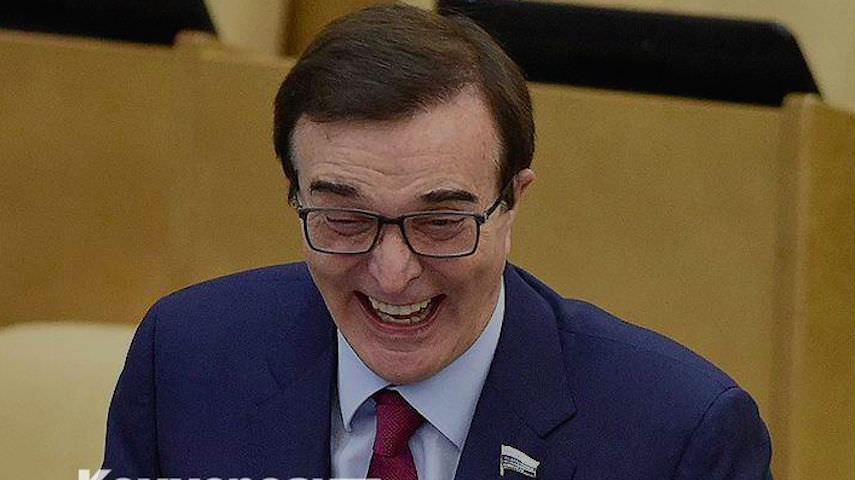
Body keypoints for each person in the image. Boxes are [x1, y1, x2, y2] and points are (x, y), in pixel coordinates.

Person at [102, 5, 772, 480]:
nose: (392, 274)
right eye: (345, 219)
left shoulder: (678, 436)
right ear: (295, 197)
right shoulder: (186, 359)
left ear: (512, 203)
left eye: (440, 222)